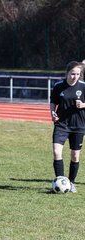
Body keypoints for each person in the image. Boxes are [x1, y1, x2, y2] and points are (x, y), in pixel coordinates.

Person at [50, 60, 85, 193]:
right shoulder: (59, 86)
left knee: (75, 156)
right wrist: (52, 113)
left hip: (79, 125)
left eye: (77, 74)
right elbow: (53, 102)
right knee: (56, 152)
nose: (74, 77)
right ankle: (60, 180)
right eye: (72, 74)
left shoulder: (83, 86)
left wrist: (83, 105)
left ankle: (71, 183)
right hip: (62, 124)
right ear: (67, 73)